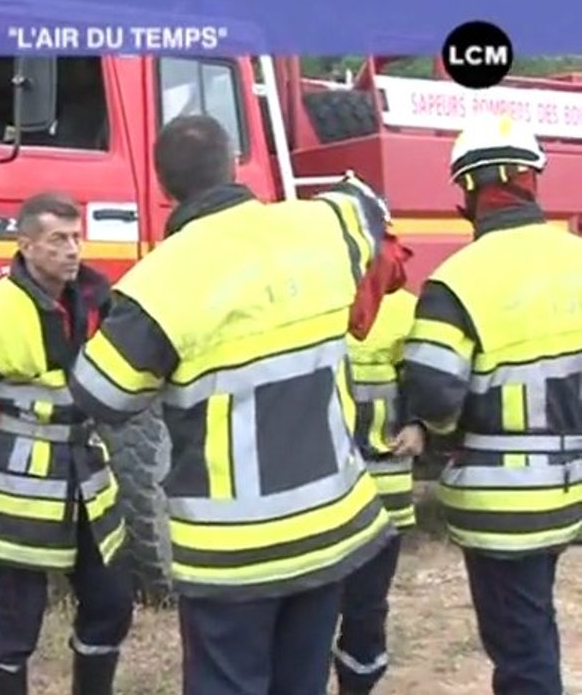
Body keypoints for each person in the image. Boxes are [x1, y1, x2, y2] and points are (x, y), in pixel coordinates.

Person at [67, 114, 397, 695]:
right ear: (234, 162)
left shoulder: (160, 281)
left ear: (164, 185)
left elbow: (101, 394)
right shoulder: (321, 226)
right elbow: (367, 201)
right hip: (328, 527)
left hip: (234, 552)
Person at [394, 114, 582, 695]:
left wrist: (435, 427)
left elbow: (433, 394)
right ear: (535, 183)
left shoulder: (455, 282)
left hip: (508, 503)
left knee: (523, 646)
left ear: (466, 194)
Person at [0, 192, 134, 695]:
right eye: (57, 239)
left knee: (111, 602)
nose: (72, 250)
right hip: (20, 482)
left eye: (76, 237)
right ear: (26, 246)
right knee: (18, 615)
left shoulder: (101, 300)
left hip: (88, 474)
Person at [334, 284, 418, 695]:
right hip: (318, 498)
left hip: (383, 492)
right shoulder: (308, 301)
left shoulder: (405, 310)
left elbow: (426, 381)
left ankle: (358, 685)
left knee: (365, 609)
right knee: (308, 617)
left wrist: (419, 425)